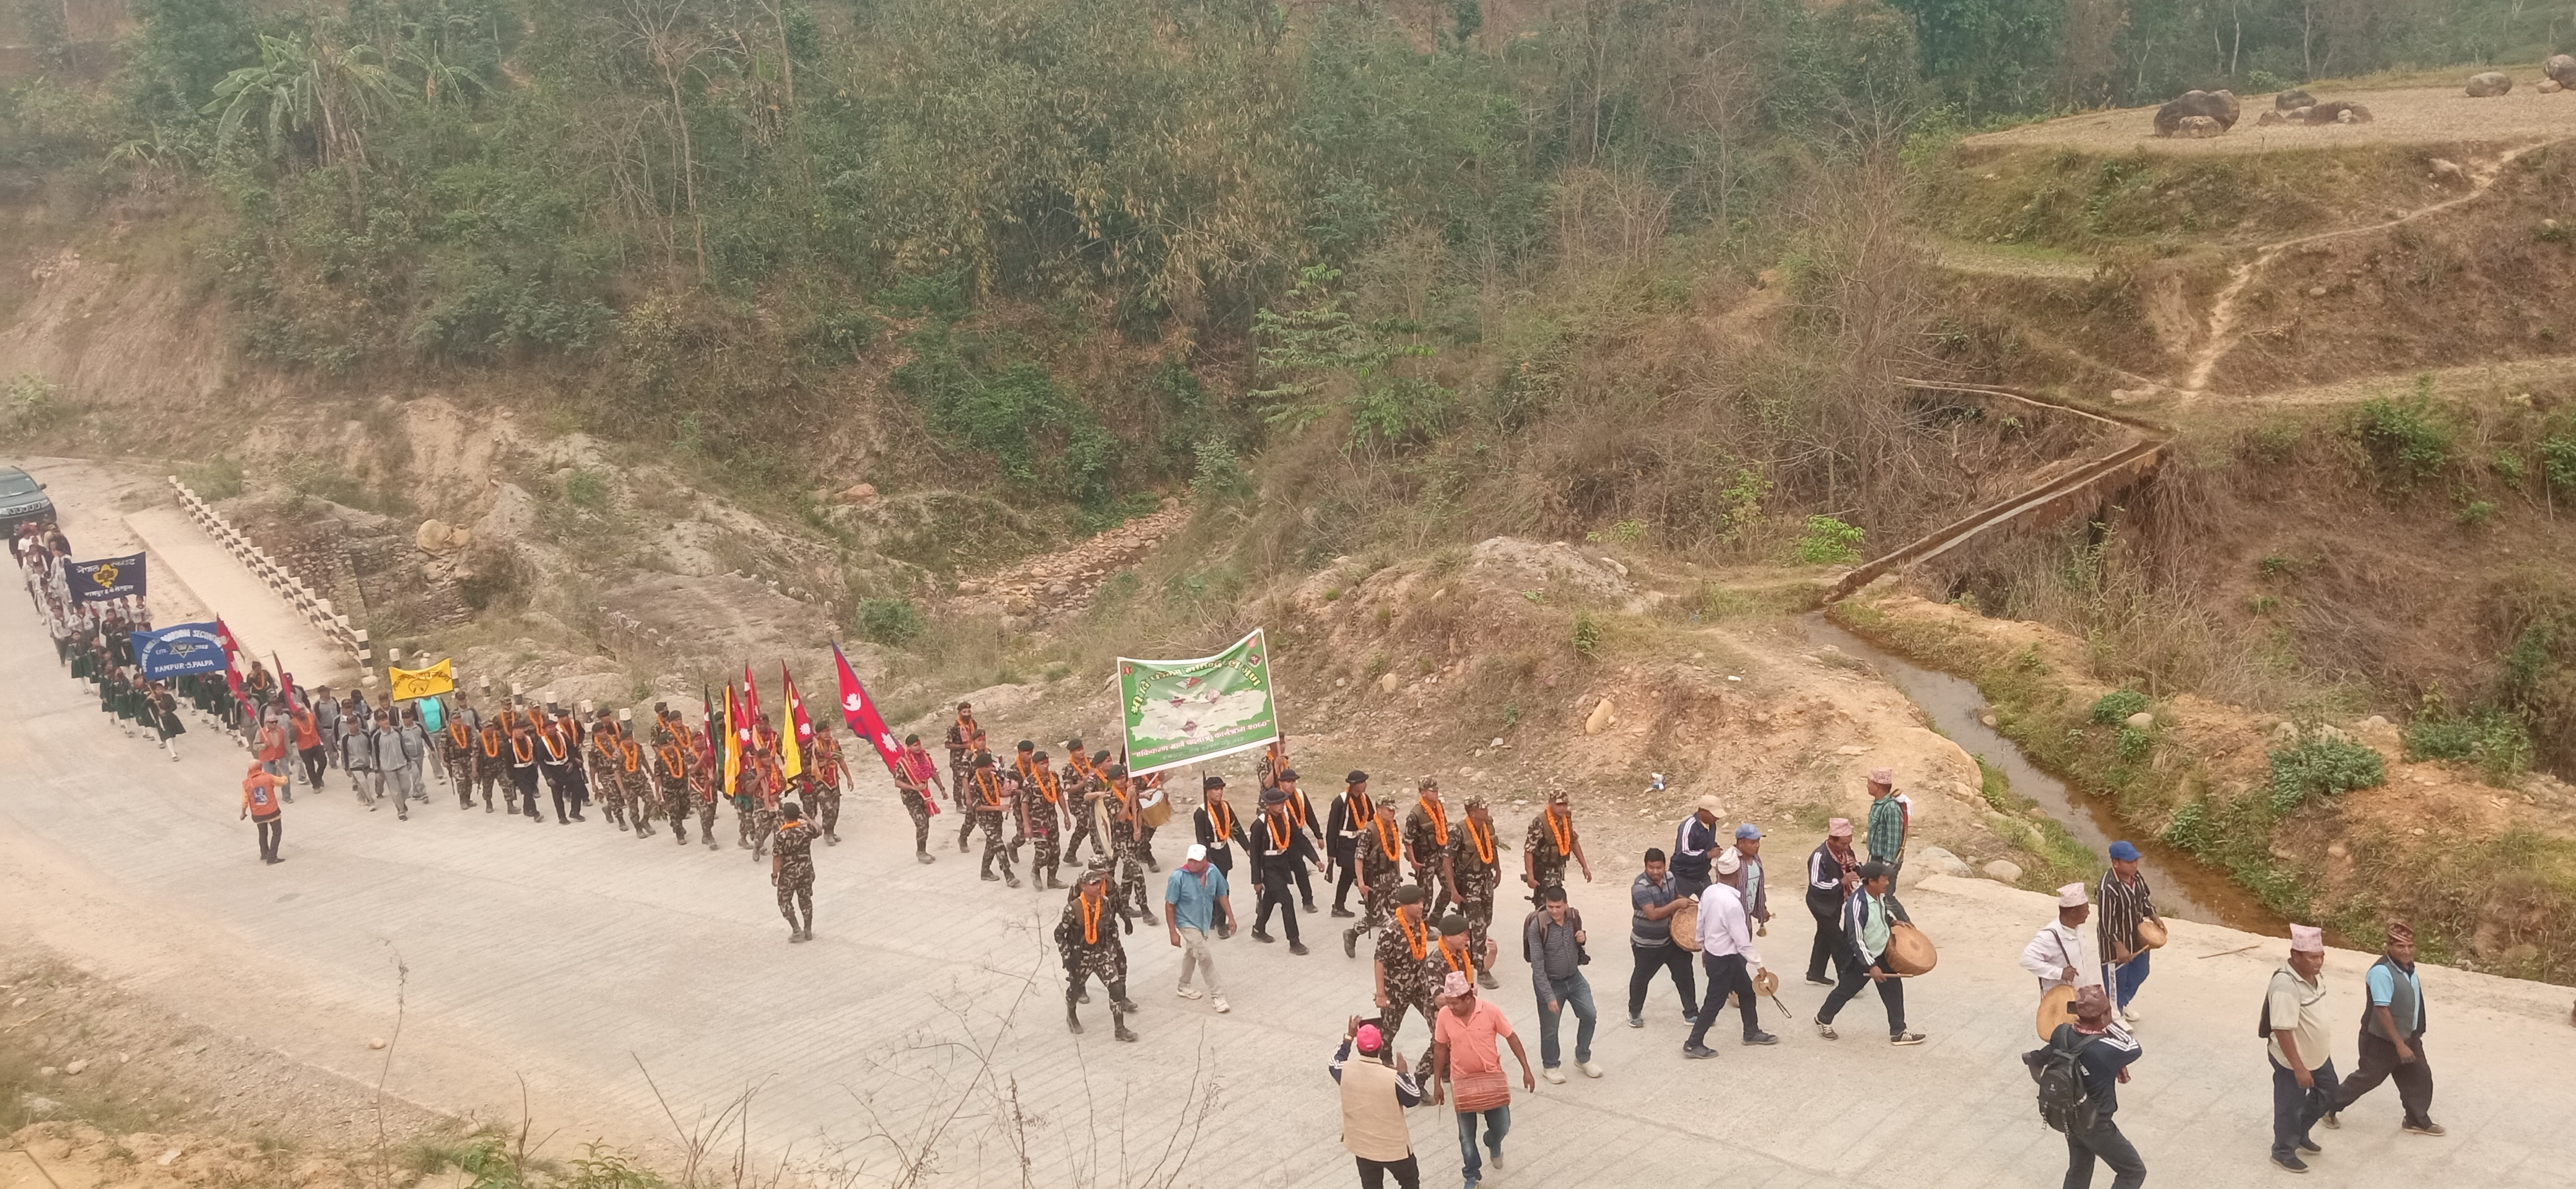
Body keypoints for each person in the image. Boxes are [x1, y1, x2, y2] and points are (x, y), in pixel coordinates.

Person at [2327, 920, 2442, 1136]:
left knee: (2419, 1076)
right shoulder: (2381, 972)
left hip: (2409, 1037)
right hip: (2383, 1040)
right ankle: (2327, 1106)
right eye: (2400, 946)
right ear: (2389, 947)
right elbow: (2382, 1010)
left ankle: (2416, 1120)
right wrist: (2399, 1044)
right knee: (2368, 1078)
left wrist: (2413, 1035)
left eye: (2410, 946)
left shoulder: (2408, 969)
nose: (2407, 951)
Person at [1427, 970, 1534, 1189]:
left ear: (1468, 998)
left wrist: (1527, 1069)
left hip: (1491, 1080)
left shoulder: (1490, 1011)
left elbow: (1512, 1038)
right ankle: (1471, 1175)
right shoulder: (1445, 1015)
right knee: (1466, 1137)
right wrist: (1437, 1082)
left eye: (1455, 1003)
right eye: (1448, 1003)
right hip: (1463, 1082)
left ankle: (1493, 1142)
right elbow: (1440, 1048)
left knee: (1502, 1126)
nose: (1450, 1008)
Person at [1816, 861, 1925, 1045]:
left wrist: (1893, 922)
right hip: (1861, 957)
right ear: (1872, 882)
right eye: (1884, 879)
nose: (1888, 883)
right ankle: (1823, 1018)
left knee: (1893, 988)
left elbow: (1881, 914)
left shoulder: (1878, 895)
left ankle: (1899, 1031)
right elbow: (1856, 939)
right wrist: (1871, 966)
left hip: (1882, 951)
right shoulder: (1856, 905)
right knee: (1847, 990)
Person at [1682, 848, 1775, 1056]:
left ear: (1718, 873)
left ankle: (1751, 1032)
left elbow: (1701, 923)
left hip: (1718, 956)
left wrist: (1703, 947)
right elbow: (1742, 941)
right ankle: (1693, 1043)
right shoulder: (1732, 904)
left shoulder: (1709, 892)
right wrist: (1759, 964)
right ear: (1738, 874)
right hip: (1727, 960)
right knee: (1713, 1002)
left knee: (1746, 992)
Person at [2266, 924, 2338, 1174]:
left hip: (2318, 1056)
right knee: (2290, 1106)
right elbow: (2283, 1031)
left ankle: (2299, 1132)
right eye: (2312, 957)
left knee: (2329, 1093)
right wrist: (2299, 1068)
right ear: (2295, 955)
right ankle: (2283, 1151)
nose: (2319, 962)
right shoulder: (2286, 986)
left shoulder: (2315, 977)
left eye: (2321, 956)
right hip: (2293, 1061)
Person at [2059, 986, 2147, 1189]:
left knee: (2079, 1168)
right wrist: (2110, 1023)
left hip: (2071, 1114)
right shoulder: (2105, 1050)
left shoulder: (2062, 1034)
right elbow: (2133, 1047)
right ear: (2104, 1015)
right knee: (2133, 1171)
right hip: (2095, 1122)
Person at [1331, 1019, 1424, 1189]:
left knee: (1371, 1186)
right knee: (1410, 1183)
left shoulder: (1345, 1071)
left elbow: (1334, 1062)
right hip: (1394, 1149)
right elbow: (1413, 1098)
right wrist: (1404, 1074)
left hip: (1363, 1147)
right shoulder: (1393, 1078)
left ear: (1359, 1048)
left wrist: (1348, 1037)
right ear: (1381, 1047)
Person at [1525, 886, 1599, 1082]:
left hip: (1574, 978)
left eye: (1558, 906)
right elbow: (1537, 965)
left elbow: (1578, 944)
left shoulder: (1573, 917)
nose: (1555, 911)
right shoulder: (1537, 926)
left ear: (1566, 904)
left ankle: (1583, 1057)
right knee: (1550, 1028)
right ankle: (1550, 1065)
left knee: (1590, 1015)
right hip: (1550, 982)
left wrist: (1582, 939)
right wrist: (1548, 996)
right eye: (1551, 906)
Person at [1058, 862, 1139, 1041]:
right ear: (1084, 886)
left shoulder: (1105, 903)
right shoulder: (1073, 909)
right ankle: (1071, 1014)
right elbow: (1060, 934)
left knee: (1116, 988)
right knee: (1075, 989)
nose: (1097, 886)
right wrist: (1067, 957)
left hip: (1102, 954)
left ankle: (1120, 1029)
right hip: (1082, 956)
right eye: (1093, 884)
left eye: (1098, 883)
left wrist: (1113, 948)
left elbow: (1109, 926)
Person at [1372, 886, 1442, 1075]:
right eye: (1416, 903)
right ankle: (1383, 1059)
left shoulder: (1420, 923)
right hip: (1396, 990)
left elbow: (1422, 952)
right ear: (1404, 906)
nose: (1421, 906)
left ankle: (1436, 1068)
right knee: (1389, 1030)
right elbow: (1380, 961)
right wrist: (1381, 994)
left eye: (1422, 902)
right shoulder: (1391, 931)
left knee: (1439, 1028)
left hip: (1420, 987)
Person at [1626, 847, 1699, 1028]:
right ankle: (1634, 1012)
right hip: (1646, 943)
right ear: (1645, 866)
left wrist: (1691, 904)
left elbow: (1675, 896)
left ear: (1665, 866)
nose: (1656, 872)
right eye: (1652, 868)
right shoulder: (1640, 886)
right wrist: (1676, 904)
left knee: (1685, 974)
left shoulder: (1670, 878)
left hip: (1670, 939)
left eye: (1659, 867)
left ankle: (1691, 1013)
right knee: (1641, 978)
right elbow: (1652, 914)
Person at [1164, 843, 1236, 1013]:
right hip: (1186, 922)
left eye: (1197, 861)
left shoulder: (1213, 872)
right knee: (1204, 955)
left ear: (1205, 860)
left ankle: (1183, 985)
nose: (1193, 864)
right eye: (1191, 861)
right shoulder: (1177, 878)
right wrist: (1173, 932)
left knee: (1192, 953)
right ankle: (1218, 996)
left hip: (1202, 922)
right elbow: (1169, 905)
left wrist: (1231, 917)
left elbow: (1222, 894)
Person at [2096, 841, 2158, 1025]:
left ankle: (2121, 1004)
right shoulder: (2107, 887)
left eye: (2136, 861)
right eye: (2130, 862)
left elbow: (2143, 899)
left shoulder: (2136, 877)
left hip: (2137, 938)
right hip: (2116, 944)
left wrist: (2154, 917)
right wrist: (2120, 947)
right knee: (2116, 981)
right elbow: (2107, 922)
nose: (2135, 865)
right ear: (2116, 863)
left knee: (2141, 972)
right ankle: (2115, 1016)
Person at [1250, 787, 1312, 953]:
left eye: (1283, 802)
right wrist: (1257, 880)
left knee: (1271, 898)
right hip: (1268, 866)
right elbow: (1255, 856)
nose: (1281, 805)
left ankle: (1258, 929)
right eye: (1277, 803)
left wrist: (1316, 859)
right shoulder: (1259, 825)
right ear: (1269, 805)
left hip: (1282, 862)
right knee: (1286, 900)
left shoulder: (1287, 818)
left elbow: (1299, 839)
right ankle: (1294, 941)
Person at [1450, 796, 1503, 988]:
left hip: (1486, 880)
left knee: (1486, 920)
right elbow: (1447, 861)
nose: (1486, 810)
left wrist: (1498, 869)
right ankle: (1481, 969)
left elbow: (1492, 847)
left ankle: (1468, 950)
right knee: (1479, 923)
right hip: (1469, 883)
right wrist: (1453, 890)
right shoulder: (1459, 831)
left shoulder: (1487, 825)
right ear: (1472, 813)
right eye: (1482, 808)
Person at [1346, 799, 1406, 958]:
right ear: (1379, 810)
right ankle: (1352, 934)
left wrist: (1398, 874)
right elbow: (1358, 858)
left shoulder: (1393, 827)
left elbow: (1395, 853)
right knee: (1374, 917)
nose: (1392, 813)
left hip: (1391, 878)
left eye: (1394, 810)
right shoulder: (1369, 831)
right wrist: (1361, 883)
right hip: (1375, 881)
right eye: (1388, 810)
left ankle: (1395, 948)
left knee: (1399, 914)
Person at [1804, 818, 1860, 986]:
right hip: (1820, 904)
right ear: (1831, 840)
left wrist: (1855, 866)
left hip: (1835, 901)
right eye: (1843, 844)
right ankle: (1848, 981)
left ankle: (1815, 973)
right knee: (1838, 941)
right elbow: (1816, 884)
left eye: (1849, 843)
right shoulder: (1819, 856)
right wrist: (1841, 882)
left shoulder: (1846, 851)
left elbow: (1854, 871)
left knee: (1824, 937)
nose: (1847, 847)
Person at [2022, 884, 2104, 993]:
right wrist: (2059, 973)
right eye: (2086, 910)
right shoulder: (2049, 936)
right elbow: (2027, 959)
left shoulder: (2077, 930)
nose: (2088, 913)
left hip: (2080, 997)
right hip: (2060, 1001)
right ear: (2073, 913)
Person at [1520, 790, 1592, 912]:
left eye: (1565, 804)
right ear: (1551, 803)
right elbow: (1529, 850)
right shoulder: (1540, 822)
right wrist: (1531, 877)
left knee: (1556, 904)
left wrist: (1584, 866)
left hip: (1558, 869)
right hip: (1543, 870)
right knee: (1547, 907)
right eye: (1559, 804)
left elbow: (1573, 841)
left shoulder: (1566, 820)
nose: (1563, 808)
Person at [1326, 771, 1376, 918]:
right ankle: (1370, 907)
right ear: (1354, 785)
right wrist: (1331, 853)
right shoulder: (1340, 801)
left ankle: (1339, 906)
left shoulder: (1365, 799)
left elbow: (1372, 818)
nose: (1365, 785)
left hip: (1361, 840)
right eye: (1362, 782)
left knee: (1348, 876)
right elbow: (1332, 828)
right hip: (1346, 843)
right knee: (1353, 872)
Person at [1405, 778, 1457, 915]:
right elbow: (1408, 841)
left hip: (1440, 856)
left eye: (1436, 790)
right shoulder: (1415, 814)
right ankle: (1423, 922)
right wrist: (1413, 862)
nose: (1436, 793)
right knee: (1426, 893)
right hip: (1425, 859)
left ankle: (1437, 915)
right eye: (1432, 791)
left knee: (1449, 886)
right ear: (1423, 793)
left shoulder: (1438, 808)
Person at [967, 754, 1020, 886]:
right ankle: (1008, 874)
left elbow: (999, 792)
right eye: (988, 766)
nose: (991, 768)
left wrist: (1012, 792)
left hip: (997, 817)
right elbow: (978, 806)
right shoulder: (974, 783)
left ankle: (985, 872)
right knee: (998, 844)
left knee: (992, 845)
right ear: (981, 768)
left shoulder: (994, 777)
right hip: (985, 818)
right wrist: (998, 807)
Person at [1019, 747, 1069, 889]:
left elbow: (1059, 795)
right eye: (1042, 764)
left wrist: (1066, 815)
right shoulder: (1029, 782)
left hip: (1052, 820)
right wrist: (1027, 826)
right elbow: (1024, 803)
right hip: (1037, 823)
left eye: (1047, 763)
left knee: (1055, 851)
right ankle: (1036, 871)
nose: (1046, 766)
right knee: (1043, 853)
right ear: (1035, 765)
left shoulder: (1053, 777)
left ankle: (1052, 879)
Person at [771, 800, 820, 941]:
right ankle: (808, 930)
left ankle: (796, 929)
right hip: (806, 871)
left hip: (789, 875)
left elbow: (777, 858)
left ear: (785, 816)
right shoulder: (806, 829)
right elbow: (818, 830)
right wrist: (808, 818)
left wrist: (775, 875)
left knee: (784, 901)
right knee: (805, 899)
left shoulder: (782, 835)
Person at [892, 733, 943, 863]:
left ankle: (923, 850)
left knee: (926, 823)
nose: (918, 747)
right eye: (915, 745)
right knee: (921, 824)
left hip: (924, 797)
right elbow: (897, 782)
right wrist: (914, 788)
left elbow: (933, 772)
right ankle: (921, 852)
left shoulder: (925, 758)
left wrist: (942, 788)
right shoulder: (903, 763)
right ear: (908, 747)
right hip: (911, 798)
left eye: (919, 744)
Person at [1193, 775, 1247, 878]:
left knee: (1224, 886)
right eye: (1216, 789)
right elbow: (1201, 839)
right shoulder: (1201, 812)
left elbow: (1237, 827)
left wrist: (1248, 848)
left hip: (1224, 852)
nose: (1220, 792)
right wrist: (1206, 860)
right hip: (1211, 855)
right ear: (1207, 792)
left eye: (1221, 789)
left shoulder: (1225, 806)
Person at [1670, 795, 1721, 898]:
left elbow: (1706, 841)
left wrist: (1716, 847)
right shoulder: (1688, 826)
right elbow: (1682, 853)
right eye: (1714, 814)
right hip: (1683, 876)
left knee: (1711, 903)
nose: (1717, 818)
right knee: (1676, 907)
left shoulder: (1712, 824)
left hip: (1701, 874)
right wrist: (1707, 854)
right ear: (1703, 812)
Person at [1864, 767, 1907, 878]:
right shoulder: (1878, 804)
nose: (1867, 786)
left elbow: (1894, 839)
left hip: (1885, 861)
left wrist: (1887, 866)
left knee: (1885, 895)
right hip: (1877, 858)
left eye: (1869, 783)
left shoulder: (1891, 808)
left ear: (1877, 786)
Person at [241, 762, 287, 865]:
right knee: (277, 832)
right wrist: (280, 768)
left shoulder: (246, 783)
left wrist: (243, 813)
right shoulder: (268, 777)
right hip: (272, 811)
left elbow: (245, 800)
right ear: (260, 768)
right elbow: (283, 781)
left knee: (263, 833)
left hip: (258, 814)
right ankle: (272, 856)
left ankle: (264, 854)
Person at [1730, 823, 1770, 931]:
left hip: (1747, 918)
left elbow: (1758, 887)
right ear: (1741, 843)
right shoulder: (1731, 862)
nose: (1757, 845)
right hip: (1734, 920)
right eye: (1753, 842)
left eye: (1758, 841)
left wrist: (1762, 908)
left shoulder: (1756, 860)